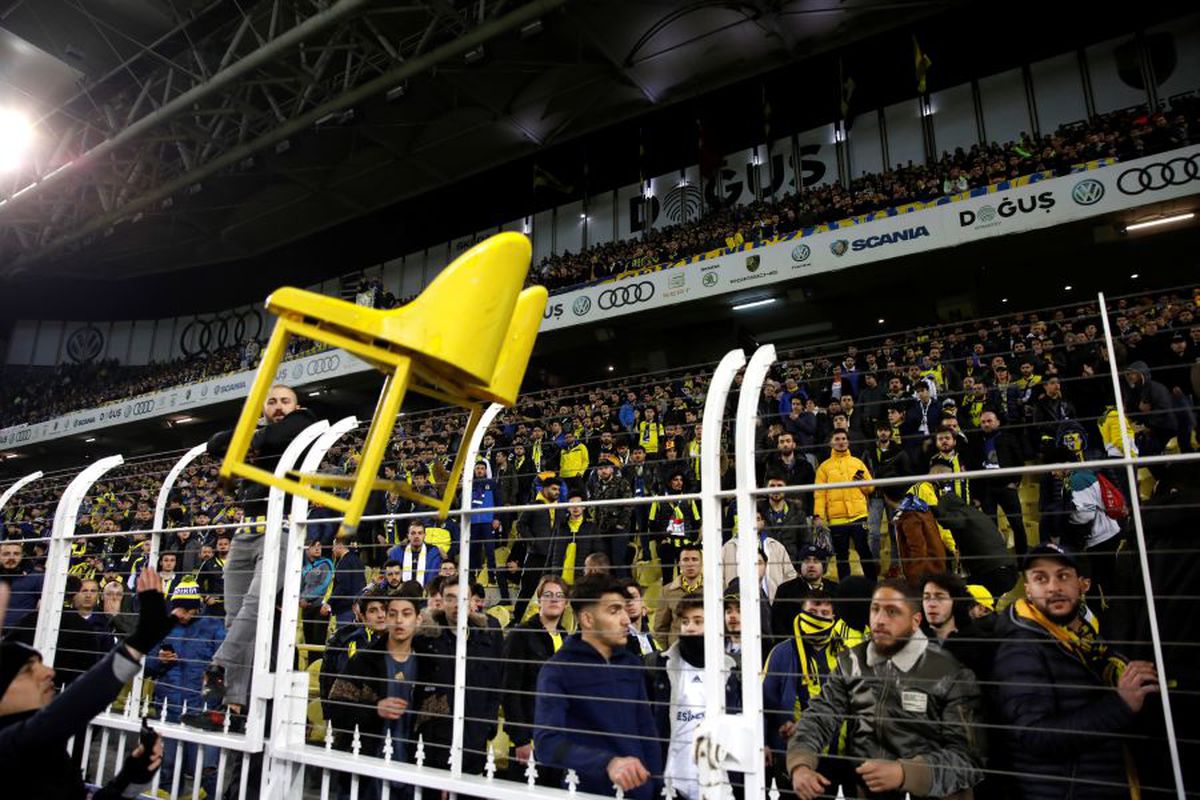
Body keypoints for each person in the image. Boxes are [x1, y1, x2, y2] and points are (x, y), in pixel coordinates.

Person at [787, 579, 984, 800]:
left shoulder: (949, 672)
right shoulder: (851, 663)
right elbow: (820, 715)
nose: (880, 620)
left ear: (915, 621)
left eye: (892, 612)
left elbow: (969, 758)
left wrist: (906, 774)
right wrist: (801, 763)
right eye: (875, 609)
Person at [992, 543, 1161, 800]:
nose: (1054, 587)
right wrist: (1120, 705)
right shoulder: (1021, 650)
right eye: (1040, 578)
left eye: (1063, 576)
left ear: (1080, 584)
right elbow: (1034, 736)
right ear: (1028, 589)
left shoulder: (1080, 635)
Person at [200, 384, 318, 728]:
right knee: (235, 617)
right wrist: (257, 436)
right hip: (244, 533)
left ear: (296, 406)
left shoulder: (304, 422)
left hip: (280, 527)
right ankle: (233, 706)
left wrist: (250, 442)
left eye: (285, 401)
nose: (278, 407)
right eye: (272, 402)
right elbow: (214, 445)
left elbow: (280, 434)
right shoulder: (264, 435)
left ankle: (219, 664)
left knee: (255, 605)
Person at [0, 569, 173, 799]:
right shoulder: (14, 745)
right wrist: (142, 638)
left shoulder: (49, 754)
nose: (48, 672)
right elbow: (69, 710)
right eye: (28, 670)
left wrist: (129, 779)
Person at [534, 574, 663, 799]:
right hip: (587, 792)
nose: (626, 620)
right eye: (614, 611)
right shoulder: (558, 670)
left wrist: (656, 787)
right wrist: (607, 763)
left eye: (624, 610)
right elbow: (547, 744)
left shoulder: (631, 664)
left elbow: (647, 733)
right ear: (588, 619)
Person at [763, 591, 853, 791]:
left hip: (838, 756)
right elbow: (765, 700)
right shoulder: (781, 653)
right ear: (801, 614)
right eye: (812, 612)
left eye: (824, 613)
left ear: (833, 617)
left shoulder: (846, 653)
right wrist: (764, 741)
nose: (818, 618)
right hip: (792, 753)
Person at [411, 579, 503, 774]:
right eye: (450, 598)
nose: (456, 604)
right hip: (434, 743)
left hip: (475, 741)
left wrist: (488, 725)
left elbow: (495, 686)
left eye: (462, 598)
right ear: (442, 602)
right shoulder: (424, 641)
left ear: (472, 602)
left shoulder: (486, 640)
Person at [144, 577, 225, 794]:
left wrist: (214, 684)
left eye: (191, 610)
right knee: (168, 768)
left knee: (206, 770)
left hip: (203, 709)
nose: (186, 615)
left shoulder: (214, 627)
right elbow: (145, 665)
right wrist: (158, 660)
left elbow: (226, 664)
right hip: (168, 707)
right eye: (182, 609)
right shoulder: (162, 627)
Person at [655, 595, 738, 800]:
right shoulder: (662, 667)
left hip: (718, 783)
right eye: (685, 622)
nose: (690, 628)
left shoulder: (732, 670)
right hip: (672, 784)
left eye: (698, 621)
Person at [500, 575, 569, 785]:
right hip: (529, 740)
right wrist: (520, 739)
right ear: (539, 600)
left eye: (559, 595)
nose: (554, 599)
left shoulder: (568, 639)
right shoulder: (521, 635)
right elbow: (509, 691)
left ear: (566, 603)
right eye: (548, 594)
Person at [813, 430, 876, 582]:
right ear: (831, 443)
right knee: (841, 555)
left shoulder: (857, 463)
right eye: (837, 439)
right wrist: (818, 516)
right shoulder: (824, 467)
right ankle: (845, 588)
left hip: (859, 515)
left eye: (843, 438)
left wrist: (862, 483)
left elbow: (870, 488)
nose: (841, 442)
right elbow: (820, 494)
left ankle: (873, 584)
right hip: (837, 519)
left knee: (864, 550)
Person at [970, 409, 1029, 555]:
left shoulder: (1009, 438)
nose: (986, 424)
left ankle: (1023, 560)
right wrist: (976, 495)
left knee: (1017, 526)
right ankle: (999, 562)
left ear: (998, 422)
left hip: (1006, 487)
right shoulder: (976, 441)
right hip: (987, 490)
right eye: (983, 422)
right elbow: (974, 467)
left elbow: (1019, 461)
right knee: (991, 529)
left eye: (989, 421)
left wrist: (1015, 481)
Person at [509, 478, 562, 620]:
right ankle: (517, 618)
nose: (557, 492)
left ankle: (552, 621)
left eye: (558, 489)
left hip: (554, 556)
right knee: (527, 588)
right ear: (544, 489)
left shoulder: (561, 508)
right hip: (536, 554)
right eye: (554, 489)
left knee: (553, 589)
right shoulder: (533, 505)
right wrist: (532, 541)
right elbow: (521, 525)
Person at [720, 510, 796, 601]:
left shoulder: (776, 546)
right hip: (738, 603)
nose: (753, 522)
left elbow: (790, 576)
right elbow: (719, 579)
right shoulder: (728, 547)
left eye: (757, 519)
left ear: (763, 523)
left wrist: (781, 599)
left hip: (772, 602)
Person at [771, 544, 836, 640]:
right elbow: (777, 624)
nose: (811, 565)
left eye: (816, 561)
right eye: (806, 561)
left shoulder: (835, 589)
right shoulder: (785, 590)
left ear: (824, 566)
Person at [648, 468, 701, 585]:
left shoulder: (688, 498)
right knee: (667, 578)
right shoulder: (659, 498)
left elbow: (697, 520)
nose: (679, 482)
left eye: (681, 480)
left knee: (686, 578)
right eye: (675, 480)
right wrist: (661, 539)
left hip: (685, 544)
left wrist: (692, 538)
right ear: (669, 482)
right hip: (667, 543)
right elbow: (652, 522)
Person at [586, 456, 634, 577]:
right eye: (600, 469)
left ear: (612, 469)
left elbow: (628, 505)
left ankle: (623, 584)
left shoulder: (622, 483)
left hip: (618, 529)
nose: (603, 471)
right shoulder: (596, 485)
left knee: (618, 560)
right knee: (605, 561)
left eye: (606, 468)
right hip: (602, 529)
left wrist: (621, 524)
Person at [469, 461, 509, 601]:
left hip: (488, 521)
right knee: (473, 550)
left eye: (482, 468)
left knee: (490, 550)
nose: (479, 470)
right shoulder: (469, 484)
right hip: (473, 522)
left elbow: (499, 502)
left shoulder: (492, 484)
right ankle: (472, 576)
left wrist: (497, 518)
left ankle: (492, 576)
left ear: (486, 470)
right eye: (477, 468)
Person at [653, 543, 703, 649]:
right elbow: (660, 627)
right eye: (686, 560)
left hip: (707, 651)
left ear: (701, 563)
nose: (690, 564)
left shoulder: (714, 590)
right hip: (677, 651)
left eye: (694, 559)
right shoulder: (667, 591)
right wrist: (669, 651)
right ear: (679, 563)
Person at [387, 520, 442, 588]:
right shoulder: (397, 552)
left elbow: (434, 577)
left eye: (420, 533)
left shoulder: (433, 553)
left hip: (426, 592)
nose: (416, 536)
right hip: (401, 592)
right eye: (413, 533)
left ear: (424, 535)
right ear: (408, 536)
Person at [921, 573, 973, 643]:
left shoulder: (975, 642)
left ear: (956, 602)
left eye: (940, 598)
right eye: (926, 597)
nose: (931, 604)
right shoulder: (912, 640)